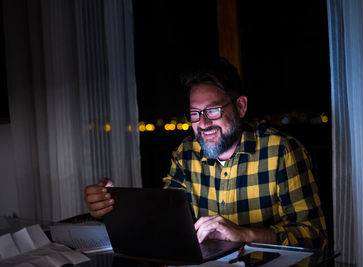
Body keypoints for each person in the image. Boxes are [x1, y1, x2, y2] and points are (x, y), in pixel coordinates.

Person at [84, 58, 328, 249]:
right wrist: (112, 206)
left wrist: (245, 234)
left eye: (212, 111)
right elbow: (164, 222)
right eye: (194, 114)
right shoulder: (185, 155)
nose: (202, 123)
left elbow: (315, 236)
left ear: (240, 106)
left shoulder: (282, 151)